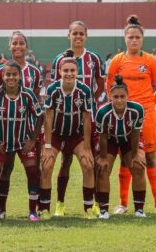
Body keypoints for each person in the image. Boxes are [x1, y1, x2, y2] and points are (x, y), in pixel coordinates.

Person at [107, 15, 156, 214]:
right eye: (130, 37)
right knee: (125, 159)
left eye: (137, 37)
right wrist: (120, 107)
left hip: (147, 118)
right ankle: (123, 204)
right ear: (125, 39)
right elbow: (110, 87)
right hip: (122, 119)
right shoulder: (117, 61)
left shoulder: (150, 60)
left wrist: (149, 104)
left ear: (142, 39)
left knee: (150, 159)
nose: (134, 40)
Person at [50, 21, 104, 217]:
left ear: (86, 36)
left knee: (92, 161)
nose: (78, 36)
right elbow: (54, 88)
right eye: (75, 33)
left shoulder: (94, 58)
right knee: (65, 161)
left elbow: (100, 83)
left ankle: (94, 203)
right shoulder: (60, 59)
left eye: (81, 33)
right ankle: (60, 204)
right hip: (65, 119)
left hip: (87, 119)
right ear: (69, 36)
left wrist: (91, 102)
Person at [0, 60, 42, 221]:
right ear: (2, 76)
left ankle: (32, 212)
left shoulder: (27, 94)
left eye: (14, 74)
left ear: (19, 76)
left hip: (23, 143)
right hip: (1, 143)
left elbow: (40, 115)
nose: (11, 77)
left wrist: (32, 140)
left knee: (32, 173)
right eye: (8, 74)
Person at [39, 50, 96, 220]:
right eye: (66, 71)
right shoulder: (53, 89)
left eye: (72, 71)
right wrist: (47, 146)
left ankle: (88, 209)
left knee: (87, 164)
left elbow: (87, 119)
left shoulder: (84, 90)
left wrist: (87, 146)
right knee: (47, 165)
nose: (69, 74)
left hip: (76, 135)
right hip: (55, 135)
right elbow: (48, 118)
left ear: (77, 72)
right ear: (60, 72)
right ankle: (45, 209)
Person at [95, 75, 147, 219]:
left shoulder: (137, 109)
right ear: (110, 96)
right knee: (103, 168)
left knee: (138, 166)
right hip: (110, 140)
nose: (119, 100)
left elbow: (136, 134)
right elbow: (103, 137)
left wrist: (136, 154)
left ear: (127, 96)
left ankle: (139, 209)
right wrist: (104, 157)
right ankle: (104, 210)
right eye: (116, 96)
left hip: (130, 139)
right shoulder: (102, 112)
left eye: (122, 96)